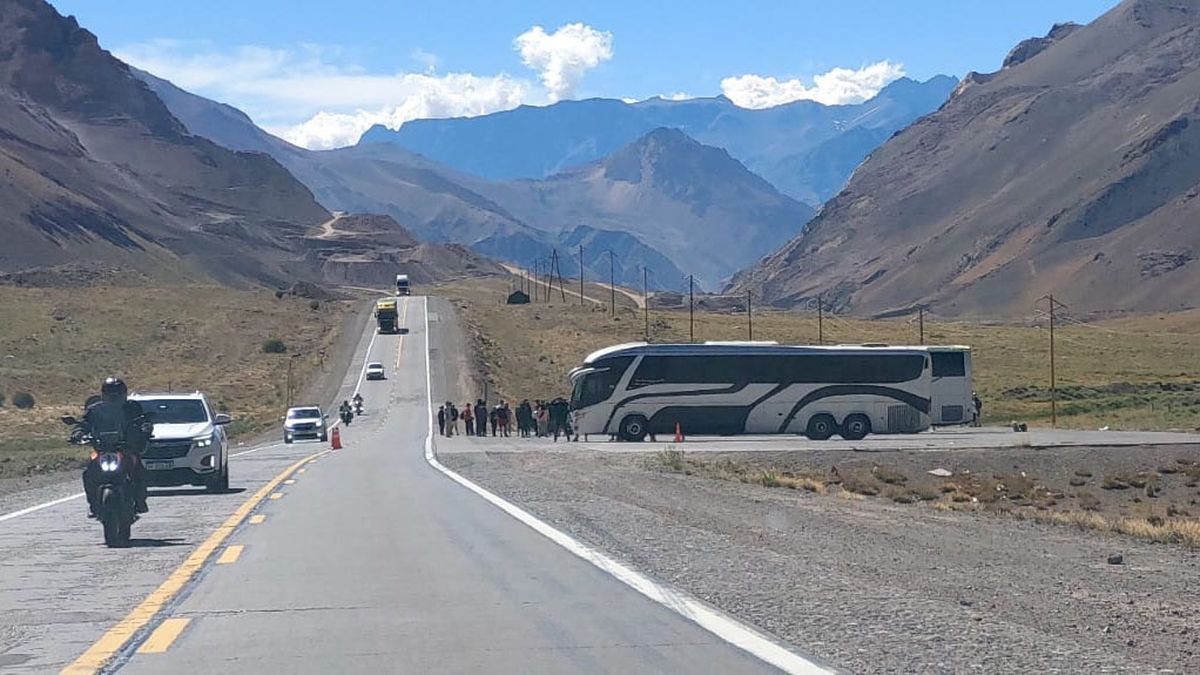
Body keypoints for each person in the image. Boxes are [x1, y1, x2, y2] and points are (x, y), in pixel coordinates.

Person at [78, 377, 151, 517]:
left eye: (117, 393)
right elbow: (84, 424)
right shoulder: (95, 410)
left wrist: (145, 429)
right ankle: (93, 504)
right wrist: (79, 433)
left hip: (126, 447)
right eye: (110, 393)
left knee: (138, 467)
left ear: (124, 394)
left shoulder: (132, 407)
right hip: (102, 448)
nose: (114, 396)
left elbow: (143, 421)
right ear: (103, 394)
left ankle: (140, 500)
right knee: (88, 472)